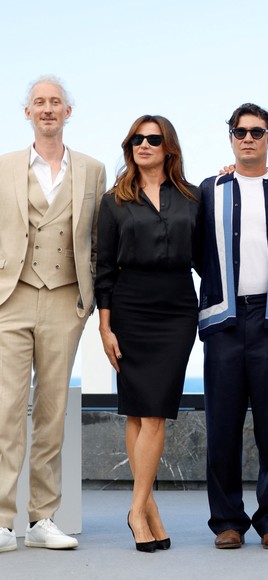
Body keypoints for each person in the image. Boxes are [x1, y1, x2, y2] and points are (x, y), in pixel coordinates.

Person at [0, 75, 106, 553]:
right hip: (12, 297)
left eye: (55, 102)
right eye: (39, 102)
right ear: (28, 112)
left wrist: (90, 299)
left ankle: (43, 518)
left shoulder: (92, 169)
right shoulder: (4, 167)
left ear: (68, 111)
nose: (47, 108)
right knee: (6, 410)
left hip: (66, 299)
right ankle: (2, 522)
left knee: (52, 411)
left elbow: (99, 238)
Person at [198, 103, 268, 550]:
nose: (247, 138)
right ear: (231, 138)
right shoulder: (209, 190)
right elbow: (196, 250)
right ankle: (227, 520)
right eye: (240, 131)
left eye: (256, 132)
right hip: (224, 317)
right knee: (221, 426)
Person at [95, 115, 200, 552]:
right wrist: (105, 325)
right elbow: (103, 266)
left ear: (168, 147)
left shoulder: (193, 197)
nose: (143, 145)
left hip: (177, 308)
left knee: (155, 410)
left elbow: (208, 256)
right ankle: (144, 510)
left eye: (153, 139)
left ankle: (138, 507)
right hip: (130, 306)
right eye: (136, 139)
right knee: (138, 411)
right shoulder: (114, 201)